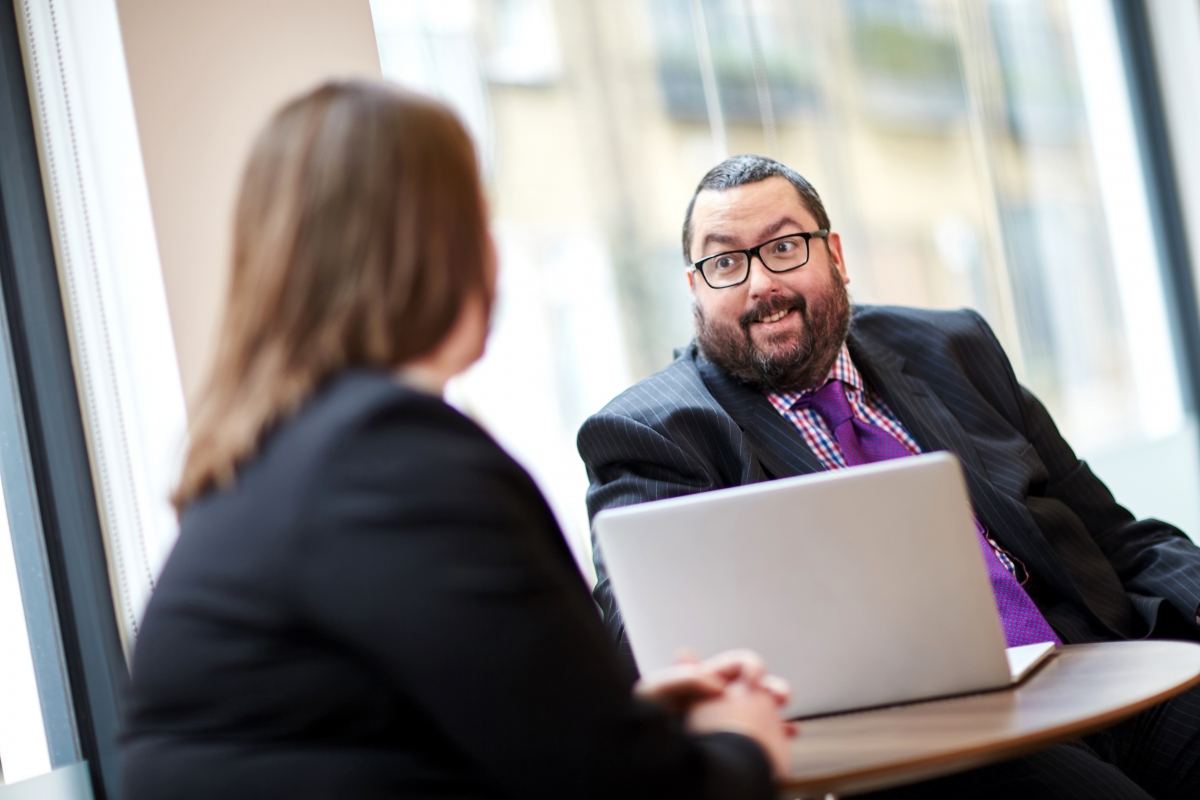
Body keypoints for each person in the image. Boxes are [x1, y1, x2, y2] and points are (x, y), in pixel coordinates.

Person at [119, 83, 796, 800]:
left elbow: (378, 723)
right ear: (443, 247)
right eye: (481, 218)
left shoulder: (274, 453)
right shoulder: (399, 460)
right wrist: (742, 744)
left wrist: (622, 712)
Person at [578, 154, 1200, 799]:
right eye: (726, 262)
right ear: (695, 290)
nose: (760, 283)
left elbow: (1116, 536)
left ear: (836, 255)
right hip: (931, 743)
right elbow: (652, 655)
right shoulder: (652, 434)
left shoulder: (952, 347)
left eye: (785, 247)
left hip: (1099, 665)